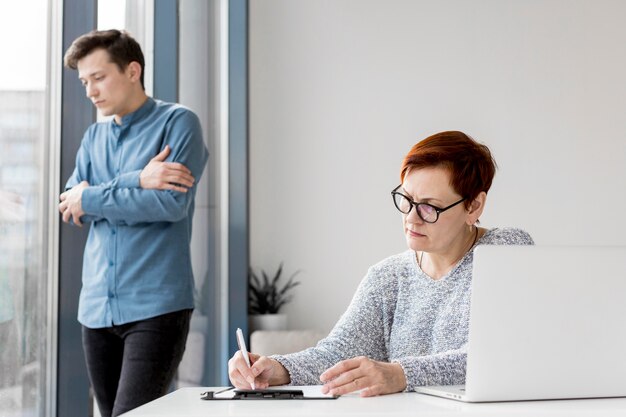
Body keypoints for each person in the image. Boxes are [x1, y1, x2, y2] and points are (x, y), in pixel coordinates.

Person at [228, 131, 533, 397]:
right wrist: (276, 368)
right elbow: (336, 354)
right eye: (407, 200)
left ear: (474, 206)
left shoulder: (505, 251)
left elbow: (495, 356)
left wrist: (399, 374)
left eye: (429, 207)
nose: (411, 218)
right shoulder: (388, 277)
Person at [59, 29, 208, 416]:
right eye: (84, 81)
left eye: (99, 77)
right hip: (94, 307)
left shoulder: (179, 123)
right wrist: (136, 180)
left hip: (157, 306)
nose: (90, 90)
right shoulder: (93, 137)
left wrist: (92, 196)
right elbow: (71, 206)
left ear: (132, 70)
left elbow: (168, 204)